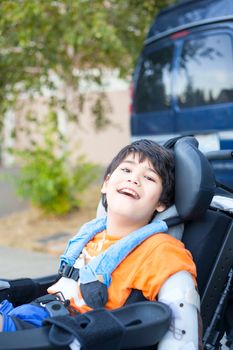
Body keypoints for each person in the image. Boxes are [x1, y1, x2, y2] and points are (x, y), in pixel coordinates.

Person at [0, 139, 201, 349]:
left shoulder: (161, 249)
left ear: (161, 203)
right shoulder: (91, 234)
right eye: (126, 169)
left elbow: (184, 318)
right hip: (31, 313)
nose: (134, 179)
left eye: (149, 177)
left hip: (61, 334)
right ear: (106, 183)